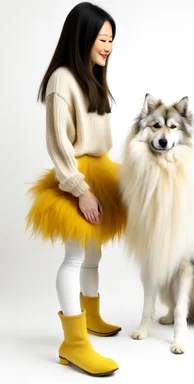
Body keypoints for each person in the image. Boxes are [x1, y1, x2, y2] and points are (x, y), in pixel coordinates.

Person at [26, 2, 126, 376]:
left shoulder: (92, 78)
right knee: (72, 258)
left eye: (112, 39)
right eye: (103, 38)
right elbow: (59, 145)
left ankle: (92, 315)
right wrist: (78, 188)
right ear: (82, 36)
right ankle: (73, 342)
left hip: (100, 174)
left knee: (92, 256)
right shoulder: (61, 80)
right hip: (78, 178)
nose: (109, 47)